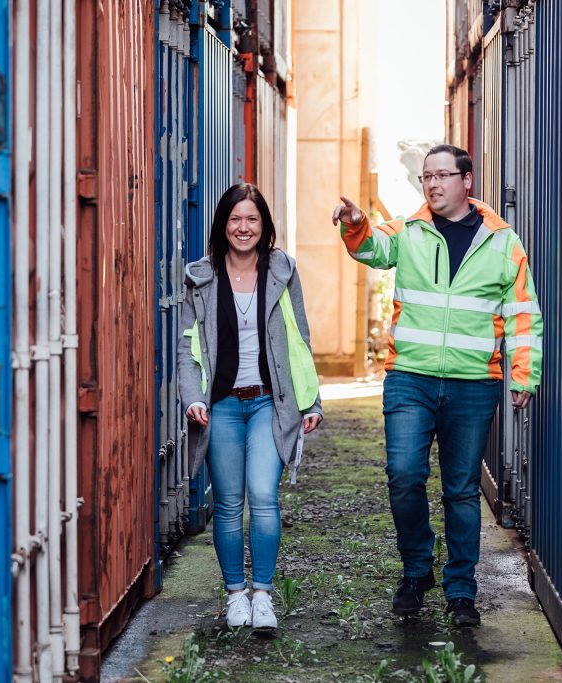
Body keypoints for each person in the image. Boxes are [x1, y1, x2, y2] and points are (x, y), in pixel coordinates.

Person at [331, 144, 542, 626]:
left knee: (461, 490)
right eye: (427, 176)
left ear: (467, 181)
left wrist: (524, 372)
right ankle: (416, 569)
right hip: (411, 378)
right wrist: (356, 222)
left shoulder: (502, 241)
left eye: (443, 175)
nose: (432, 183)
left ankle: (461, 590)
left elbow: (522, 314)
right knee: (404, 475)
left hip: (473, 384)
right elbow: (370, 248)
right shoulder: (409, 230)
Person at [179, 183, 322, 632]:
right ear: (223, 225)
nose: (243, 228)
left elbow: (299, 338)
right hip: (220, 404)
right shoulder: (201, 277)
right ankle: (235, 595)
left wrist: (311, 400)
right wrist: (193, 397)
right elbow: (187, 349)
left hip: (268, 403)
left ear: (264, 225)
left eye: (252, 219)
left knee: (262, 495)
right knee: (227, 503)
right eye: (235, 219)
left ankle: (262, 596)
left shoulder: (282, 271)